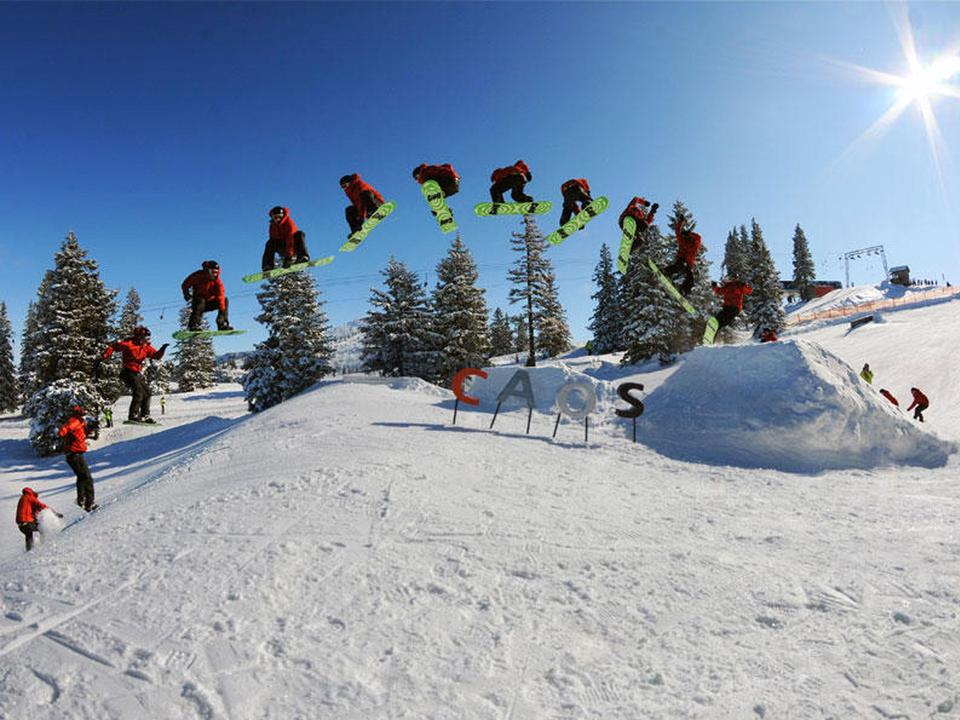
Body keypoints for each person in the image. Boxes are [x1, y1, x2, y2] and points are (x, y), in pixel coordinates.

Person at [101, 326, 168, 423]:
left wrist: (163, 348)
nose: (147, 339)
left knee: (147, 392)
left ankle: (145, 416)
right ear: (139, 336)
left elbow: (156, 356)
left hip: (137, 373)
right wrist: (106, 354)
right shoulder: (128, 344)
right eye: (145, 337)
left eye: (148, 337)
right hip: (127, 371)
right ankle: (133, 416)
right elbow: (113, 346)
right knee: (138, 392)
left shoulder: (146, 347)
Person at [58, 405, 99, 512]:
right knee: (87, 478)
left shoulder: (80, 422)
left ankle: (82, 500)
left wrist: (91, 428)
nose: (84, 413)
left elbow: (83, 434)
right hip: (74, 454)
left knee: (82, 477)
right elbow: (62, 431)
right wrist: (66, 433)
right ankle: (89, 503)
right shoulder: (74, 421)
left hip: (75, 454)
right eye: (83, 412)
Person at [182, 260, 233, 331]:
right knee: (201, 300)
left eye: (216, 272)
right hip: (198, 304)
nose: (214, 274)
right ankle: (194, 325)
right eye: (213, 272)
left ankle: (222, 324)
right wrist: (186, 294)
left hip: (210, 303)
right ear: (207, 270)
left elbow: (220, 297)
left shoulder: (218, 282)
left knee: (224, 300)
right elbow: (185, 284)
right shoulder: (197, 276)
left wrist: (224, 317)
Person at [661, 217, 702, 296]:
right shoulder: (682, 240)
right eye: (684, 238)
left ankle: (684, 291)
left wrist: (689, 233)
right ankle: (666, 272)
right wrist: (680, 222)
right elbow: (677, 231)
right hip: (681, 259)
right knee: (679, 266)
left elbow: (698, 237)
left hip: (689, 263)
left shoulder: (695, 244)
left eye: (687, 238)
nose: (685, 239)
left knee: (691, 279)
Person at [261, 206, 309, 272]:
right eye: (275, 217)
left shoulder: (289, 223)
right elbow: (273, 241)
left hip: (293, 247)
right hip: (283, 248)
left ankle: (303, 256)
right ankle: (267, 265)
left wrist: (289, 257)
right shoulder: (272, 226)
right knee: (270, 242)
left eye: (279, 217)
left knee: (299, 234)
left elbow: (290, 239)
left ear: (283, 216)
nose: (278, 219)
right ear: (272, 217)